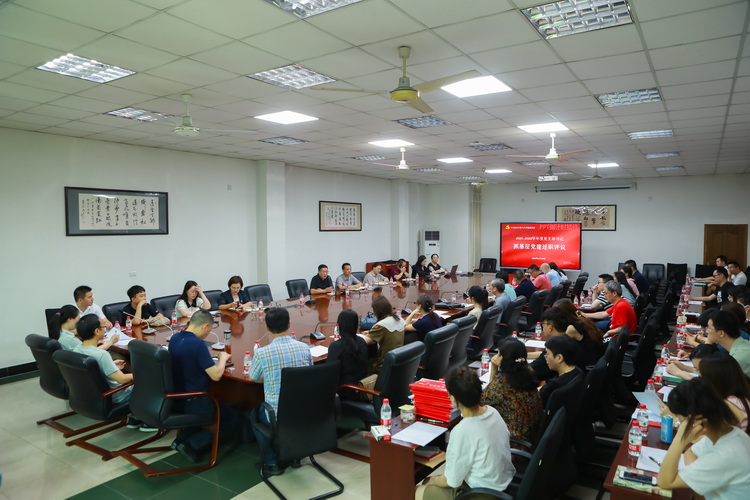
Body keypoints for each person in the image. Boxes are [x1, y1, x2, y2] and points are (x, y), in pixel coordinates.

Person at [417, 368, 515, 499]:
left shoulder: (462, 431)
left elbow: (451, 481)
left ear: (453, 399)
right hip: (502, 485)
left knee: (417, 490)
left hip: (482, 495)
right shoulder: (493, 412)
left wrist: (432, 480)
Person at [656, 377, 750, 498]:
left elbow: (665, 481)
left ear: (694, 419)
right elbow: (691, 452)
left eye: (680, 419)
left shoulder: (724, 455)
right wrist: (696, 477)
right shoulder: (731, 433)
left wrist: (680, 439)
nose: (681, 424)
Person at [248, 308, 313, 475]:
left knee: (254, 415)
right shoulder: (304, 348)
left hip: (276, 415)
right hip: (303, 409)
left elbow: (252, 377)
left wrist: (270, 377)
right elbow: (309, 373)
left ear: (267, 327)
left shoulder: (262, 353)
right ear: (289, 324)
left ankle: (271, 462)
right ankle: (295, 456)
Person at [168, 309, 233, 462]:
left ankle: (179, 440)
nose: (207, 334)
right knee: (230, 416)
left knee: (206, 414)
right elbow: (216, 376)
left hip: (175, 398)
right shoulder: (198, 345)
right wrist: (222, 358)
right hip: (195, 401)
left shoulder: (175, 338)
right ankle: (191, 444)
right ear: (205, 326)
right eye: (209, 331)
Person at [73, 315, 155, 432]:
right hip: (117, 396)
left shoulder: (77, 349)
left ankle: (135, 418)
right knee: (152, 380)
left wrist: (112, 365)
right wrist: (144, 375)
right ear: (97, 331)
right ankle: (149, 420)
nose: (105, 330)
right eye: (103, 327)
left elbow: (94, 367)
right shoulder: (102, 355)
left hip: (91, 396)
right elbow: (122, 379)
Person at [481, 338, 543, 449]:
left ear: (503, 359)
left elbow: (480, 404)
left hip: (512, 445)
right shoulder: (529, 375)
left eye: (498, 354)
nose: (495, 356)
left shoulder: (502, 384)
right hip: (530, 440)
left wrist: (494, 369)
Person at [693, 352, 750, 432]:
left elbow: (709, 434)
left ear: (714, 379)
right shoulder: (739, 395)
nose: (700, 378)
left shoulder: (730, 405)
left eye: (702, 375)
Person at [326, 309, 368, 399]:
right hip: (362, 389)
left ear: (339, 326)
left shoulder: (336, 346)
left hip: (345, 391)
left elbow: (329, 373)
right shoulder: (362, 341)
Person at [554, 298, 605, 368]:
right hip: (596, 358)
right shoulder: (582, 319)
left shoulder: (572, 328)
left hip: (587, 362)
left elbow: (558, 347)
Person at [364, 296, 405, 373]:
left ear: (377, 311)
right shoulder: (399, 319)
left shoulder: (381, 325)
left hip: (383, 364)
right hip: (399, 361)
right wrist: (371, 332)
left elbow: (365, 341)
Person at [539, 335, 583, 407]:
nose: (545, 357)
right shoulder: (578, 371)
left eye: (547, 354)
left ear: (559, 358)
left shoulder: (553, 385)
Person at [703, 310, 750, 378]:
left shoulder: (738, 357)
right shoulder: (742, 346)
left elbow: (715, 380)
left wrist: (708, 345)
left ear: (721, 333)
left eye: (709, 328)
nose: (706, 331)